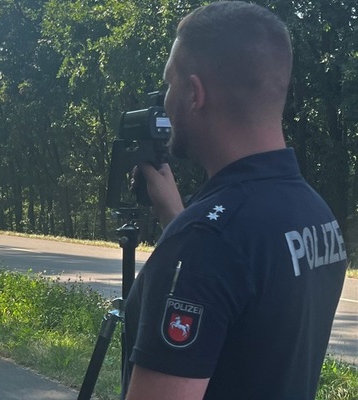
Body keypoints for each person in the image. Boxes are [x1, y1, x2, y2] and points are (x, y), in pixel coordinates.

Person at [122, 2, 347, 400]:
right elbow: (246, 325)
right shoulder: (315, 213)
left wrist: (187, 233)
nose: (165, 98)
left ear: (194, 93)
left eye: (170, 83)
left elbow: (218, 262)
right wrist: (176, 218)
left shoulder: (206, 242)